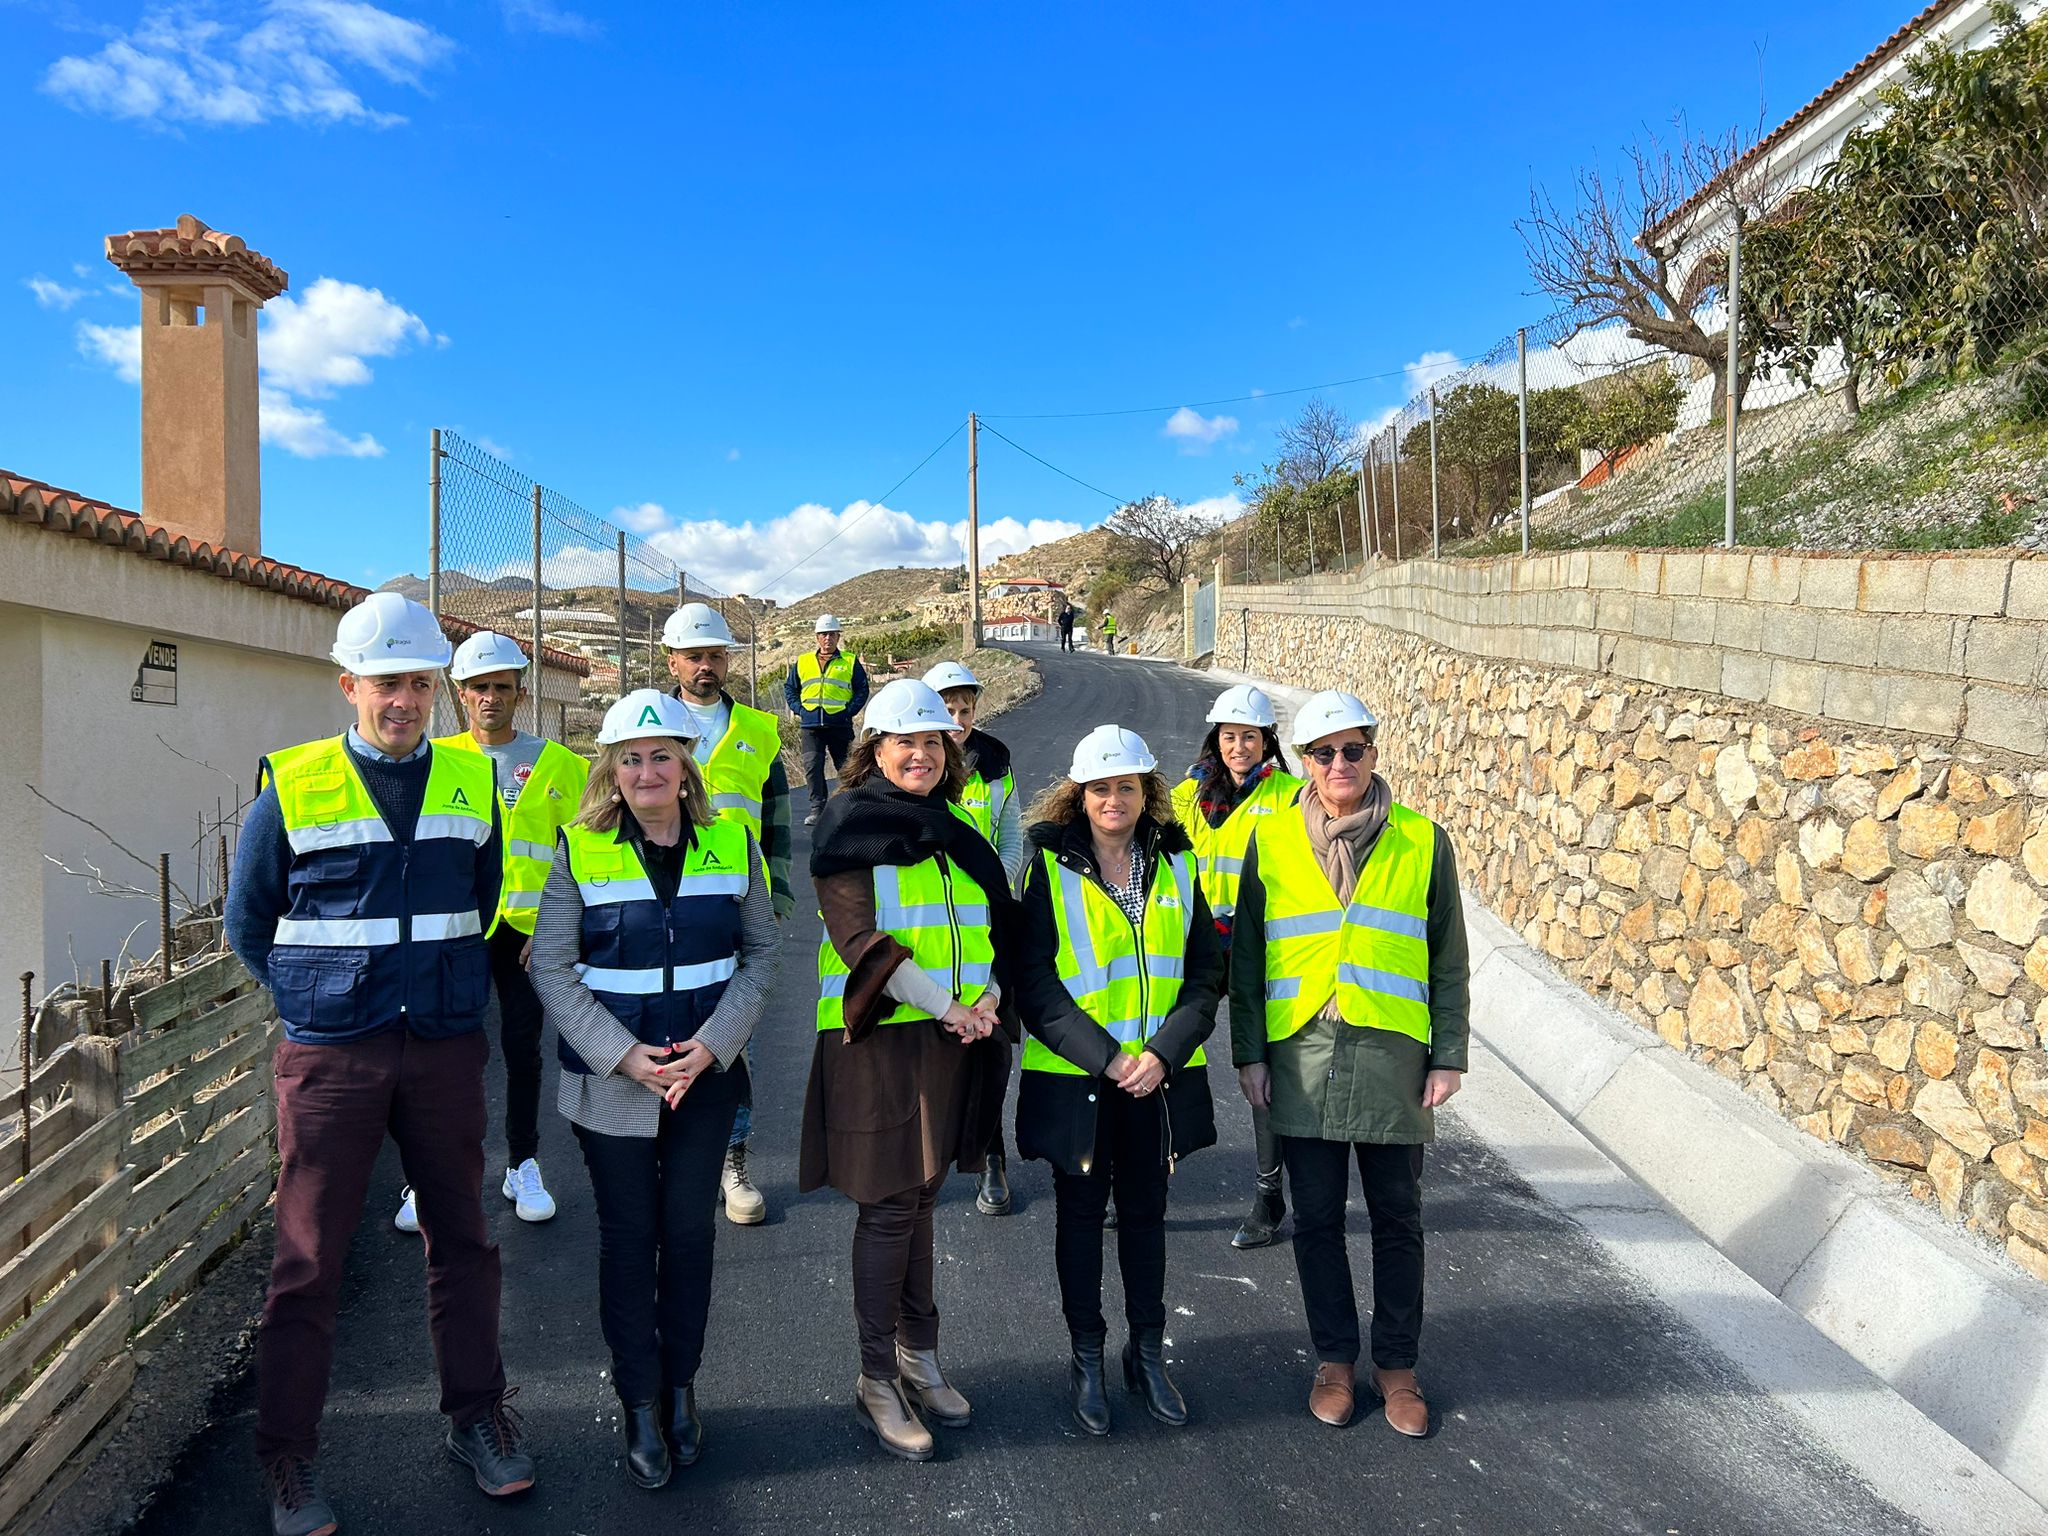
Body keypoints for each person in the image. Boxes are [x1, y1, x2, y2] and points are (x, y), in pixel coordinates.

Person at [225, 592, 535, 1536]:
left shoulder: (469, 780)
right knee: (309, 1258)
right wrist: (316, 999)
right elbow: (249, 924)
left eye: (419, 683)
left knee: (465, 1241)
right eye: (386, 682)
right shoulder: (294, 784)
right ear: (348, 685)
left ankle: (477, 1417)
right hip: (332, 1054)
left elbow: (484, 899)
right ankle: (288, 1457)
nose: (404, 700)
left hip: (441, 1045)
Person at [529, 689, 774, 1490]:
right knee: (631, 1240)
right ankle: (638, 1401)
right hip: (613, 1087)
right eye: (630, 759)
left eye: (661, 755)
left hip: (705, 1079)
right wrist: (623, 1055)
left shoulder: (732, 843)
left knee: (690, 1236)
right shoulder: (579, 849)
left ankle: (680, 1387)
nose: (646, 772)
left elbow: (762, 956)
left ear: (686, 764)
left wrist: (712, 1047)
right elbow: (551, 967)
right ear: (610, 768)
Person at [1229, 690, 1469, 1439]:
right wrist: (1249, 1054)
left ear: (1372, 753)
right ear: (1304, 762)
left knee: (1398, 1217)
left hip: (1392, 1055)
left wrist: (1448, 1055)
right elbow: (1247, 959)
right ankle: (1334, 1361)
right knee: (1317, 1219)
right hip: (1302, 1053)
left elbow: (1448, 958)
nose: (1340, 764)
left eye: (1353, 749)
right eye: (1324, 752)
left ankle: (1397, 1369)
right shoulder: (1270, 840)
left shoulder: (1423, 841)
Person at [798, 678, 1018, 1462]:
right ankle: (876, 1379)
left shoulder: (958, 826)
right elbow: (860, 941)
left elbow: (989, 923)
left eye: (932, 742)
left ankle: (919, 1358)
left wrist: (988, 995)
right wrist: (946, 1005)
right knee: (892, 1207)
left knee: (922, 1199)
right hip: (879, 1037)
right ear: (874, 752)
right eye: (905, 742)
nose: (920, 754)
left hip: (954, 1032)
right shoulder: (847, 824)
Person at [1015, 725, 1223, 1435]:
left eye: (1126, 787)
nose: (1114, 800)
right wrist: (1105, 1057)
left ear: (1146, 792)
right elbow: (1032, 981)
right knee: (1079, 1221)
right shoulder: (1046, 866)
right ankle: (1087, 1360)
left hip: (1155, 1081)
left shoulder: (1179, 864)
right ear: (1079, 794)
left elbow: (1205, 975)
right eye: (1100, 788)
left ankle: (1147, 1354)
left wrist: (1163, 1052)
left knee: (1144, 1217)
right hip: (1080, 1080)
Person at [393, 630, 588, 1235]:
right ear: (459, 692)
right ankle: (430, 1175)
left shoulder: (564, 766)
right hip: (455, 932)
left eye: (502, 686)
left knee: (522, 1051)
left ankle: (522, 1164)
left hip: (528, 936)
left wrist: (555, 928)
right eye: (478, 686)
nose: (490, 697)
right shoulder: (433, 759)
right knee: (445, 1053)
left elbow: (580, 857)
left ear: (520, 692)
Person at [664, 603, 795, 1227]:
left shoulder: (760, 731)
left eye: (715, 655)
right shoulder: (650, 723)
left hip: (740, 903)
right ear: (672, 661)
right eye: (694, 656)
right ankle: (674, 1154)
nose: (707, 666)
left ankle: (732, 1160)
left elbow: (778, 822)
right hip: (663, 903)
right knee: (663, 1027)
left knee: (733, 1037)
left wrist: (781, 891)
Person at [1168, 684, 1303, 1250]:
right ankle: (1143, 1175)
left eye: (1250, 736)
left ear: (1267, 740)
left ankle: (1269, 1197)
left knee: (1261, 1065)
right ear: (1215, 739)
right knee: (1163, 1051)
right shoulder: (1185, 795)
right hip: (1195, 946)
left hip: (1258, 948)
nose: (1239, 747)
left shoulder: (1292, 796)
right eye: (1229, 736)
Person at [921, 661, 1024, 1217]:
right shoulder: (918, 762)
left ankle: (992, 1157)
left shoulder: (997, 764)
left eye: (966, 709)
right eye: (948, 709)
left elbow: (1009, 837)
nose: (958, 720)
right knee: (931, 1045)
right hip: (931, 925)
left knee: (988, 1042)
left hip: (985, 918)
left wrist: (991, 889)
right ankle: (928, 1160)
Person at [784, 613, 869, 827]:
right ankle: (818, 809)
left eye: (831, 634)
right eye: (823, 634)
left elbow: (862, 689)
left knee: (847, 767)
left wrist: (848, 712)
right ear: (817, 637)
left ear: (838, 636)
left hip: (839, 725)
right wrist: (800, 710)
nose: (827, 638)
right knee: (812, 766)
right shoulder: (803, 661)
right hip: (811, 726)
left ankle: (851, 806)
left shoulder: (849, 661)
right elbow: (790, 688)